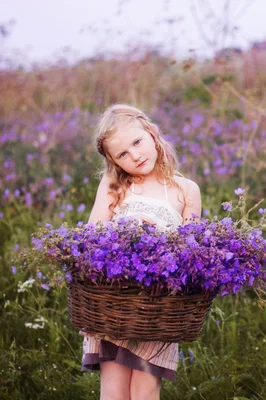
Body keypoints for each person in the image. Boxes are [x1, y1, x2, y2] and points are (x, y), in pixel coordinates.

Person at [81, 104, 202, 400]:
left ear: (151, 133)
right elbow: (91, 234)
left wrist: (161, 241)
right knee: (114, 390)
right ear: (113, 161)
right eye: (122, 154)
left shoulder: (186, 189)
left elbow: (192, 246)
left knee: (144, 390)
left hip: (157, 306)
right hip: (113, 302)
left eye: (137, 142)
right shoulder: (114, 185)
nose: (135, 155)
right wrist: (128, 228)